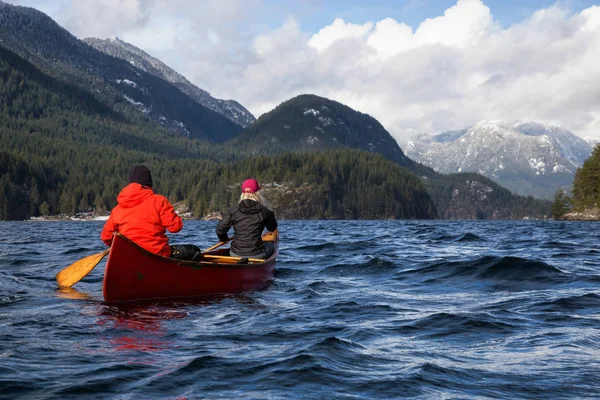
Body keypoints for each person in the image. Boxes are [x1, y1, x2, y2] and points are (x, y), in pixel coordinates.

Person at [101, 165, 201, 261]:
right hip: (158, 254)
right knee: (195, 251)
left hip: (130, 256)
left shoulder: (117, 209)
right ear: (149, 183)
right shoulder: (159, 201)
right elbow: (176, 227)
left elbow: (106, 237)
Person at [216, 178, 277, 259]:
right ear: (257, 193)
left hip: (235, 253)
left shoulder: (233, 211)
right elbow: (272, 228)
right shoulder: (265, 211)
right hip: (257, 254)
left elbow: (220, 230)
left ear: (243, 193)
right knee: (271, 245)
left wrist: (224, 239)